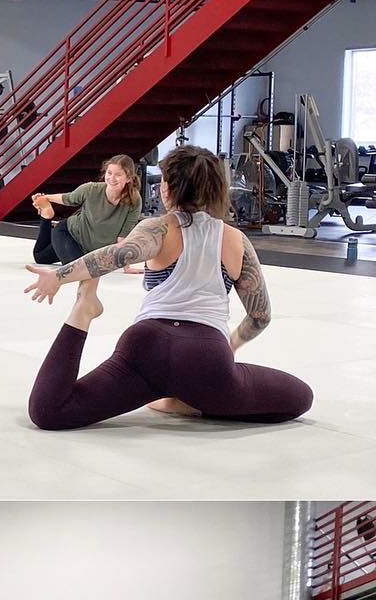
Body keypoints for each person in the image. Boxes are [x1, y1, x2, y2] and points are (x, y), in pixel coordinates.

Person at [25, 145, 313, 429]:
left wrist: (59, 276)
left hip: (145, 348)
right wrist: (231, 345)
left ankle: (83, 311)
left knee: (51, 411)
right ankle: (194, 404)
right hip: (206, 359)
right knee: (300, 397)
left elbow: (114, 256)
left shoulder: (159, 228)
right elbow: (260, 316)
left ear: (167, 188)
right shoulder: (236, 240)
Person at [30, 156, 144, 265]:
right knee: (77, 268)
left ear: (128, 178)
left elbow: (123, 235)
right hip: (69, 234)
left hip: (91, 249)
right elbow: (69, 198)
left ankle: (47, 219)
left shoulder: (134, 200)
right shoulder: (91, 189)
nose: (112, 178)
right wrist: (46, 198)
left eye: (118, 175)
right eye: (109, 173)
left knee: (41, 257)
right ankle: (46, 217)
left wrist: (126, 265)